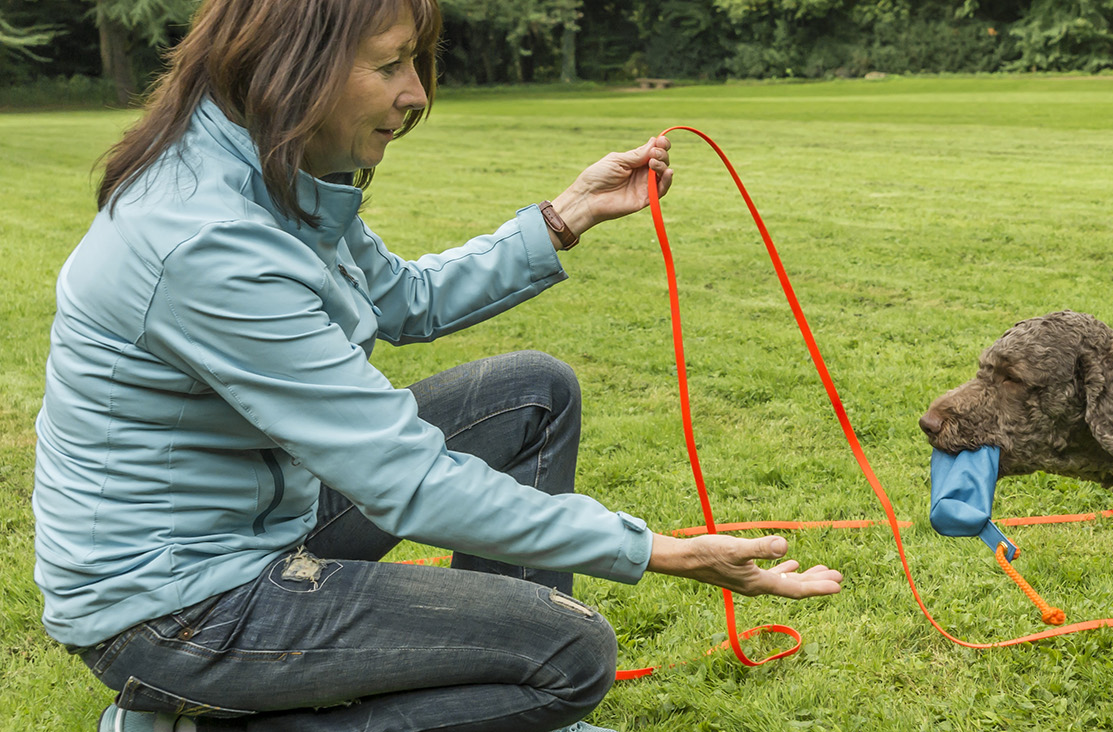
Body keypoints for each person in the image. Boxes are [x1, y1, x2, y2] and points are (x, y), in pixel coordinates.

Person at [32, 0, 843, 729]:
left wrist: (564, 218)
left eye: (414, 63)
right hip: (174, 612)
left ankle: (513, 692)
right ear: (291, 66)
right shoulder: (206, 240)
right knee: (572, 650)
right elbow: (406, 480)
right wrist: (657, 549)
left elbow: (404, 299)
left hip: (261, 525)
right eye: (389, 65)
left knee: (532, 394)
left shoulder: (277, 170)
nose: (416, 93)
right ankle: (191, 723)